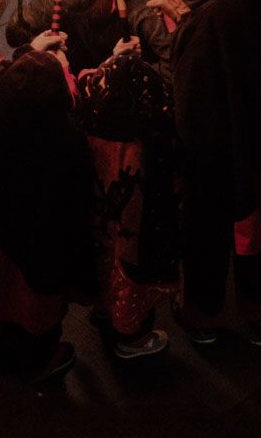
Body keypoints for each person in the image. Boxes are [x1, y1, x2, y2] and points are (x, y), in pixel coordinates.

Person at [155, 0, 261, 347]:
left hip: (216, 151)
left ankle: (203, 317)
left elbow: (191, 99)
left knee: (208, 234)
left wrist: (176, 30)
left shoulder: (208, 23)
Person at [0, 35, 97, 382]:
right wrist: (57, 70)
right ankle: (42, 359)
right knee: (38, 304)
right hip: (40, 240)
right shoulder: (64, 135)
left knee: (6, 289)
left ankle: (9, 333)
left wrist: (28, 54)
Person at [74, 37, 177, 359]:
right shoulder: (143, 140)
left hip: (101, 213)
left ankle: (106, 310)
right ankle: (132, 336)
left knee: (104, 257)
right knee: (131, 267)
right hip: (134, 218)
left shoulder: (90, 126)